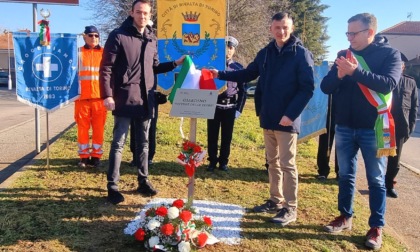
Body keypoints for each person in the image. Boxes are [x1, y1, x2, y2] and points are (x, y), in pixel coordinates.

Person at [211, 12, 314, 226]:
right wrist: (220, 74)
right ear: (271, 29)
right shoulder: (266, 53)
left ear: (291, 28)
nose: (281, 31)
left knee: (287, 165)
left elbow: (307, 89)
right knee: (272, 163)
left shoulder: (301, 54)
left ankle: (290, 208)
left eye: (285, 27)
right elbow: (247, 74)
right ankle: (276, 200)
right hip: (268, 116)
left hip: (287, 120)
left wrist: (290, 115)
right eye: (277, 27)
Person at [320, 13, 402, 250]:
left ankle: (376, 227)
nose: (349, 38)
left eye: (353, 33)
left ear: (370, 33)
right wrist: (339, 73)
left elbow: (388, 84)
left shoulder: (390, 55)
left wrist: (355, 72)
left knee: (376, 180)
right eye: (347, 33)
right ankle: (345, 216)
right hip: (344, 127)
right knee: (345, 176)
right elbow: (326, 87)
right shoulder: (342, 56)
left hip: (374, 128)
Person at [100, 0, 185, 205]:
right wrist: (107, 95)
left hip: (146, 100)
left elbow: (154, 67)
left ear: (150, 14)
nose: (142, 16)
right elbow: (106, 68)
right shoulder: (118, 35)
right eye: (138, 12)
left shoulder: (151, 39)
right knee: (118, 143)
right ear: (132, 13)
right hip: (124, 97)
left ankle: (143, 180)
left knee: (144, 143)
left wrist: (175, 63)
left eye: (146, 13)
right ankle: (113, 186)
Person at [206, 36, 246, 172]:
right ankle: (212, 161)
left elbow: (243, 91)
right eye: (226, 47)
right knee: (212, 135)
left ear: (234, 50)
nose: (228, 51)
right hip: (213, 106)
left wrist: (239, 109)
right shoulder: (212, 67)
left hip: (230, 107)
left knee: (226, 137)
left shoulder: (238, 68)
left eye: (231, 48)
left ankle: (223, 162)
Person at [386, 52, 418, 198]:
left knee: (395, 160)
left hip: (400, 127)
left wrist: (410, 128)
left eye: (401, 64)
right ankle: (377, 184)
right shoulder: (385, 80)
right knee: (379, 156)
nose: (398, 67)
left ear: (404, 67)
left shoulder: (410, 82)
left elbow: (414, 108)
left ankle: (389, 185)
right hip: (384, 124)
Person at [75, 25, 107, 168]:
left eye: (96, 35)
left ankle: (96, 156)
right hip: (82, 98)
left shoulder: (105, 53)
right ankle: (83, 157)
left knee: (98, 128)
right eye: (90, 35)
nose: (94, 38)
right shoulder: (78, 53)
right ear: (84, 37)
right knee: (82, 128)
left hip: (99, 98)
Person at [130, 90, 167, 167]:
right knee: (134, 128)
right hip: (136, 95)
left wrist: (163, 94)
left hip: (152, 98)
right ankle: (136, 156)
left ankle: (149, 157)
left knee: (151, 128)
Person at [316, 93, 339, 180]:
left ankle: (340, 172)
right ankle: (323, 171)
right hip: (326, 113)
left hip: (343, 115)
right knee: (324, 145)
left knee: (341, 146)